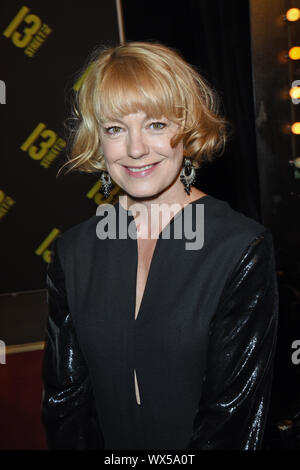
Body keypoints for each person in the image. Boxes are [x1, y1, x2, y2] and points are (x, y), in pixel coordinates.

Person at [41, 41, 278, 450]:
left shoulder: (238, 247)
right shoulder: (74, 253)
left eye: (156, 125)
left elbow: (232, 424)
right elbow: (66, 406)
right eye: (115, 128)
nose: (135, 149)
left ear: (188, 130)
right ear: (98, 140)